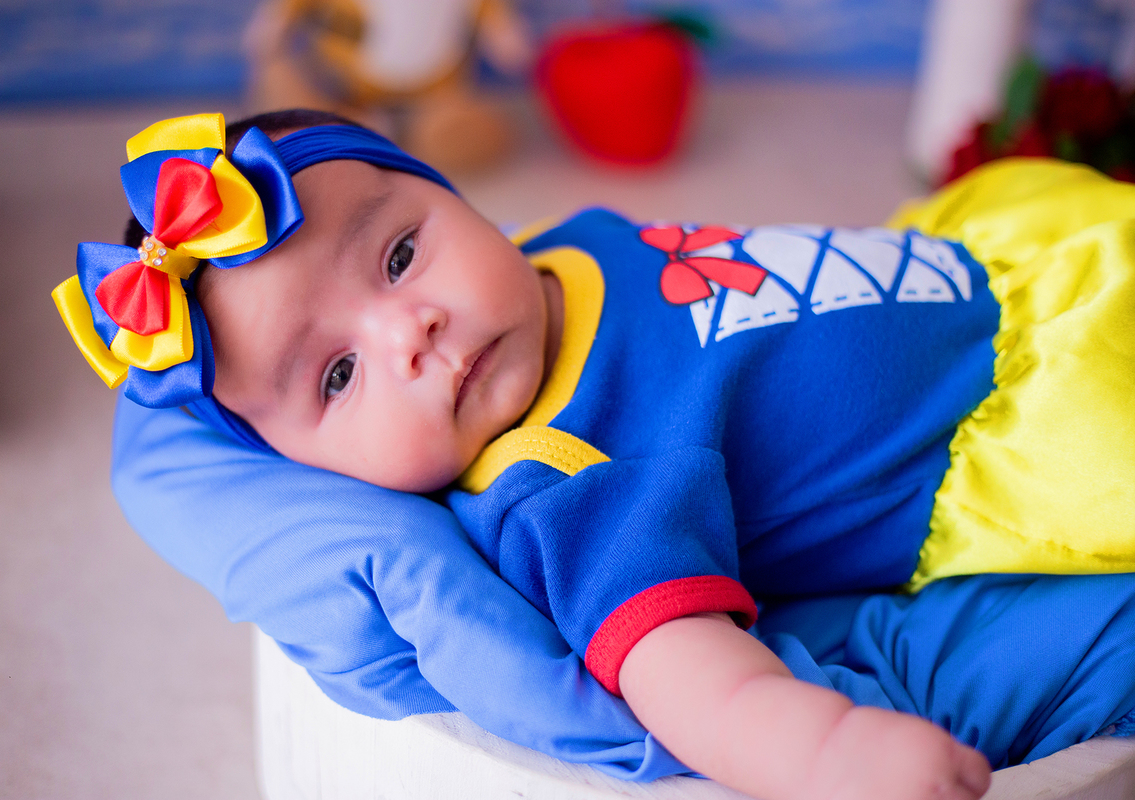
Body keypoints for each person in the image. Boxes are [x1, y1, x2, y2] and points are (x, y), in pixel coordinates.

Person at [55, 111, 1135, 800]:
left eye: (398, 252)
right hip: (1012, 426)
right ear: (319, 472)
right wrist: (827, 755)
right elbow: (686, 672)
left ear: (450, 195)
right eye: (336, 376)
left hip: (1005, 268)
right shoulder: (558, 484)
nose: (410, 329)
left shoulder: (552, 257)